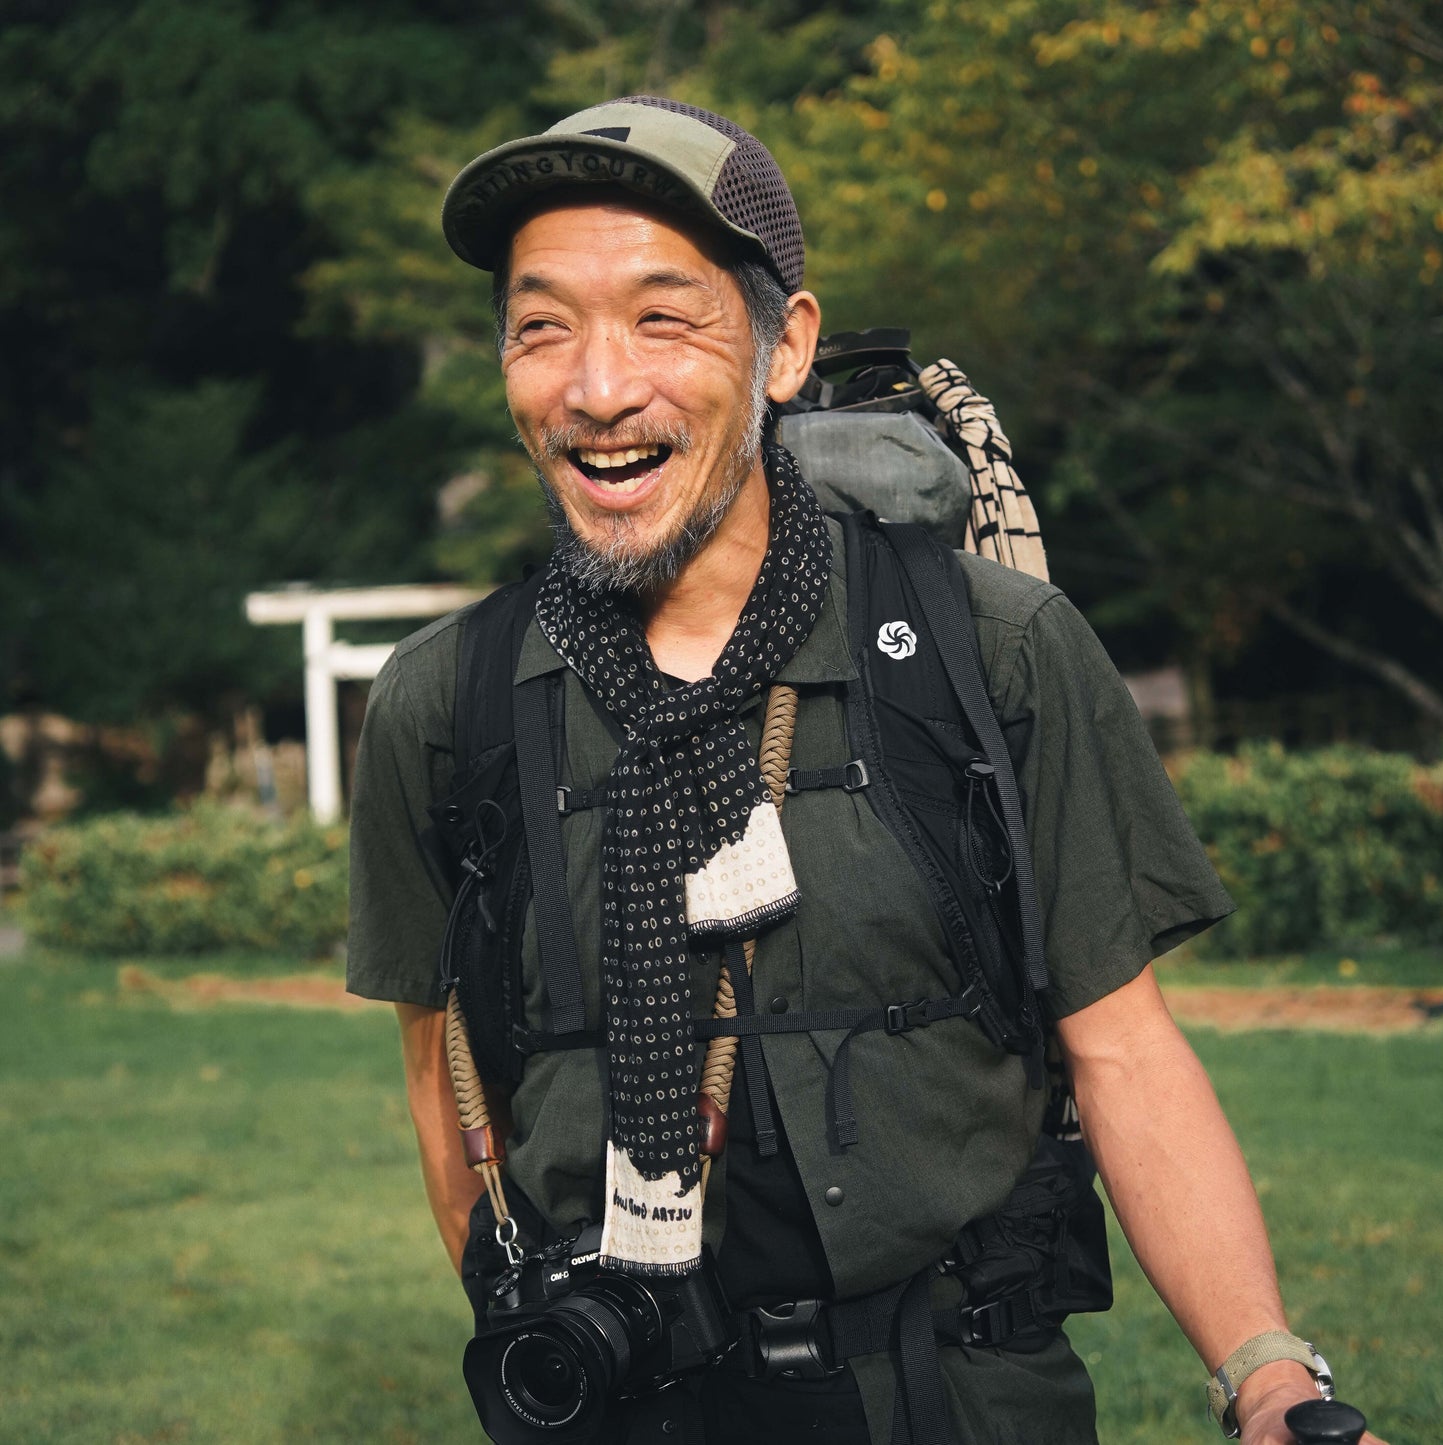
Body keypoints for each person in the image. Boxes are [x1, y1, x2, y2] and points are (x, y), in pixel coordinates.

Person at [347, 96, 1382, 1445]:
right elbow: (446, 1082)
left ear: (786, 350)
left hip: (954, 1398)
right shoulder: (446, 705)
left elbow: (1121, 1044)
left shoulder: (987, 650)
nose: (597, 389)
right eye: (543, 327)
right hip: (619, 1403)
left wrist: (1266, 1375)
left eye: (665, 317)